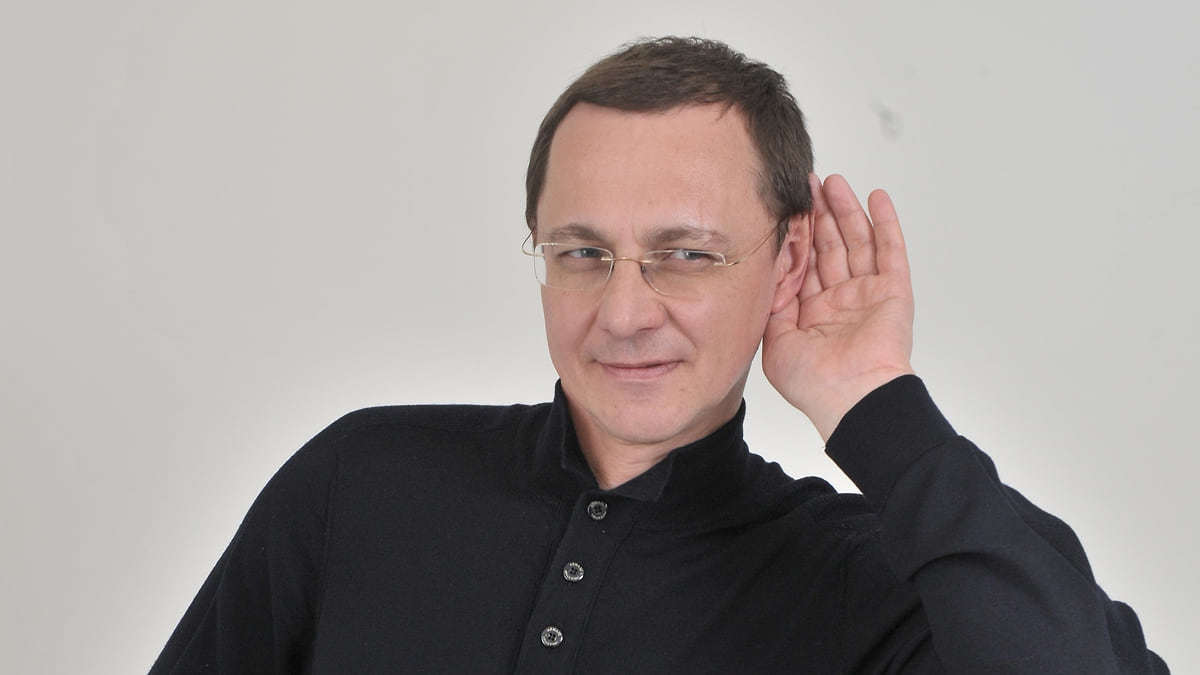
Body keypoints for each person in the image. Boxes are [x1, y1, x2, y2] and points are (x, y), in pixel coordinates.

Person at [151, 37, 1168, 673]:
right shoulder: (362, 478)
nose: (624, 312)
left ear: (788, 260)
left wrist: (876, 406)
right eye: (582, 253)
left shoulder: (862, 577)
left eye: (686, 255)